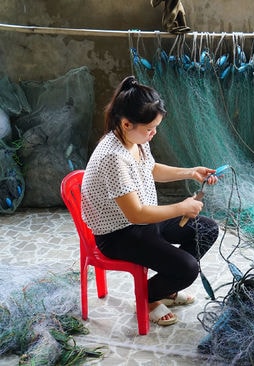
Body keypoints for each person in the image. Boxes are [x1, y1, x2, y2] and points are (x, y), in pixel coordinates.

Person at [81, 76, 219, 326]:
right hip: (119, 234)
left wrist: (190, 171)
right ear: (125, 123)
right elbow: (136, 215)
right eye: (149, 128)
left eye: (156, 127)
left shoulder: (135, 140)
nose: (154, 133)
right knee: (188, 269)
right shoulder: (113, 156)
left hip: (144, 221)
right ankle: (149, 296)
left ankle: (165, 286)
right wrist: (181, 207)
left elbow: (151, 169)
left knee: (207, 230)